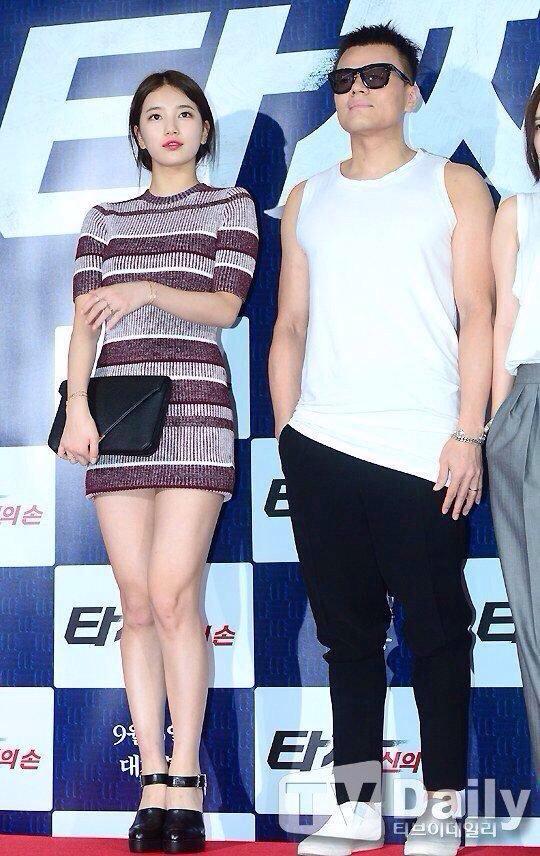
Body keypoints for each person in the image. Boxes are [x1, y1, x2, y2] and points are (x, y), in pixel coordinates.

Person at [268, 22, 494, 856]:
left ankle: (443, 806)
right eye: (343, 79)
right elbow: (289, 325)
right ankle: (357, 806)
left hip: (424, 449)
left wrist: (467, 432)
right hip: (322, 445)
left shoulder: (455, 184)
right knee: (348, 640)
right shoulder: (306, 196)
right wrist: (291, 435)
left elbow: (479, 315)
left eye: (375, 75)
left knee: (437, 634)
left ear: (411, 90)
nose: (356, 90)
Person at [58, 70, 258, 853]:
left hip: (198, 410)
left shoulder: (231, 204)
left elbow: (226, 306)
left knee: (176, 595)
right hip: (116, 415)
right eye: (153, 115)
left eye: (184, 113)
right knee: (137, 602)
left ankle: (187, 775)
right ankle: (151, 778)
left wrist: (146, 286)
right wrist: (77, 405)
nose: (169, 126)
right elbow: (84, 322)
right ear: (137, 133)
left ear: (203, 129)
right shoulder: (103, 219)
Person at [485, 81, 540, 785]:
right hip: (530, 405)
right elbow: (501, 322)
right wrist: (496, 428)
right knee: (536, 619)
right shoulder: (519, 211)